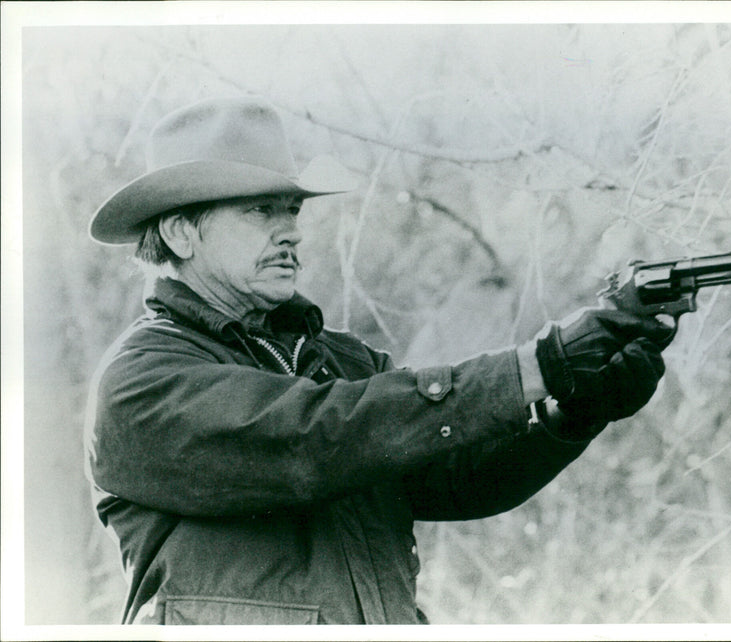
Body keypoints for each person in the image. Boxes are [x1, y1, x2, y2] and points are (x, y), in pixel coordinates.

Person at [84, 96, 672, 625]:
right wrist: (541, 363)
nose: (291, 231)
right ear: (182, 233)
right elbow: (311, 439)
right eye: (261, 211)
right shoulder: (141, 381)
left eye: (292, 209)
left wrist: (570, 415)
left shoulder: (340, 360)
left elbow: (454, 478)